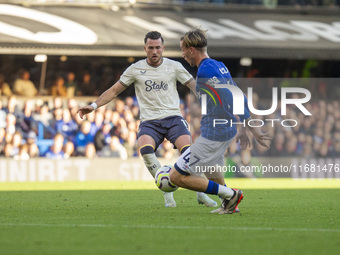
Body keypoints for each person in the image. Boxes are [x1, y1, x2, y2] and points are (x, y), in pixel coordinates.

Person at [78, 31, 216, 208]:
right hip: (150, 122)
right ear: (145, 49)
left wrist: (212, 100)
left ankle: (201, 194)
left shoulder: (174, 66)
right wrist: (94, 106)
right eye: (151, 48)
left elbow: (193, 85)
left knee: (190, 153)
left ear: (163, 48)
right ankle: (167, 191)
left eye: (158, 47)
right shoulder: (135, 69)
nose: (154, 51)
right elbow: (114, 91)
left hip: (173, 118)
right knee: (145, 150)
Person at [169, 27, 271, 214]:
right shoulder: (218, 65)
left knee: (176, 176)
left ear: (192, 50)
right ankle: (229, 204)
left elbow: (231, 97)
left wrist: (249, 125)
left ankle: (231, 195)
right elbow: (237, 93)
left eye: (183, 49)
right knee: (211, 169)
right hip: (223, 129)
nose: (182, 54)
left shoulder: (207, 70)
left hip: (215, 132)